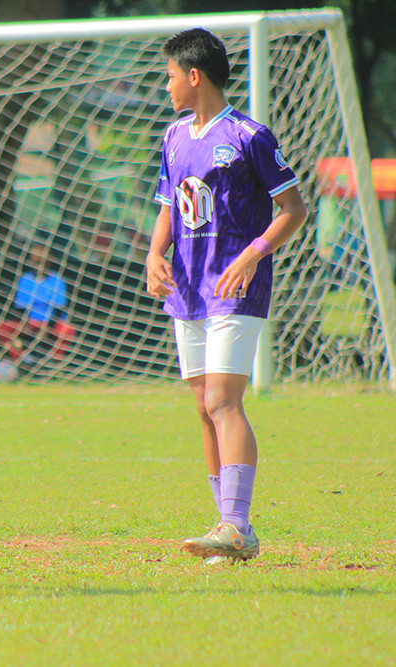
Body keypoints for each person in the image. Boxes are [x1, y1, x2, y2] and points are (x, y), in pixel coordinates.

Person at [145, 28, 307, 562]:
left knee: (223, 401)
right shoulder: (173, 136)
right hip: (188, 290)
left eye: (169, 75)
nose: (165, 84)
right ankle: (225, 528)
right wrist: (154, 255)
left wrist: (252, 254)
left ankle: (237, 527)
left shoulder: (249, 136)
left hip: (235, 288)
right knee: (202, 407)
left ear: (194, 76)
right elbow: (168, 204)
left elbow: (294, 210)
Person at [0, 243, 75, 365]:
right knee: (3, 328)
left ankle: (54, 362)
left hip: (51, 322)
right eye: (35, 260)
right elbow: (20, 308)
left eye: (42, 260)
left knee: (68, 331)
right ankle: (22, 360)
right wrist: (24, 324)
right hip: (29, 322)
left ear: (49, 261)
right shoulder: (25, 279)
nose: (39, 264)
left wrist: (48, 326)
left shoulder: (57, 280)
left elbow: (59, 309)